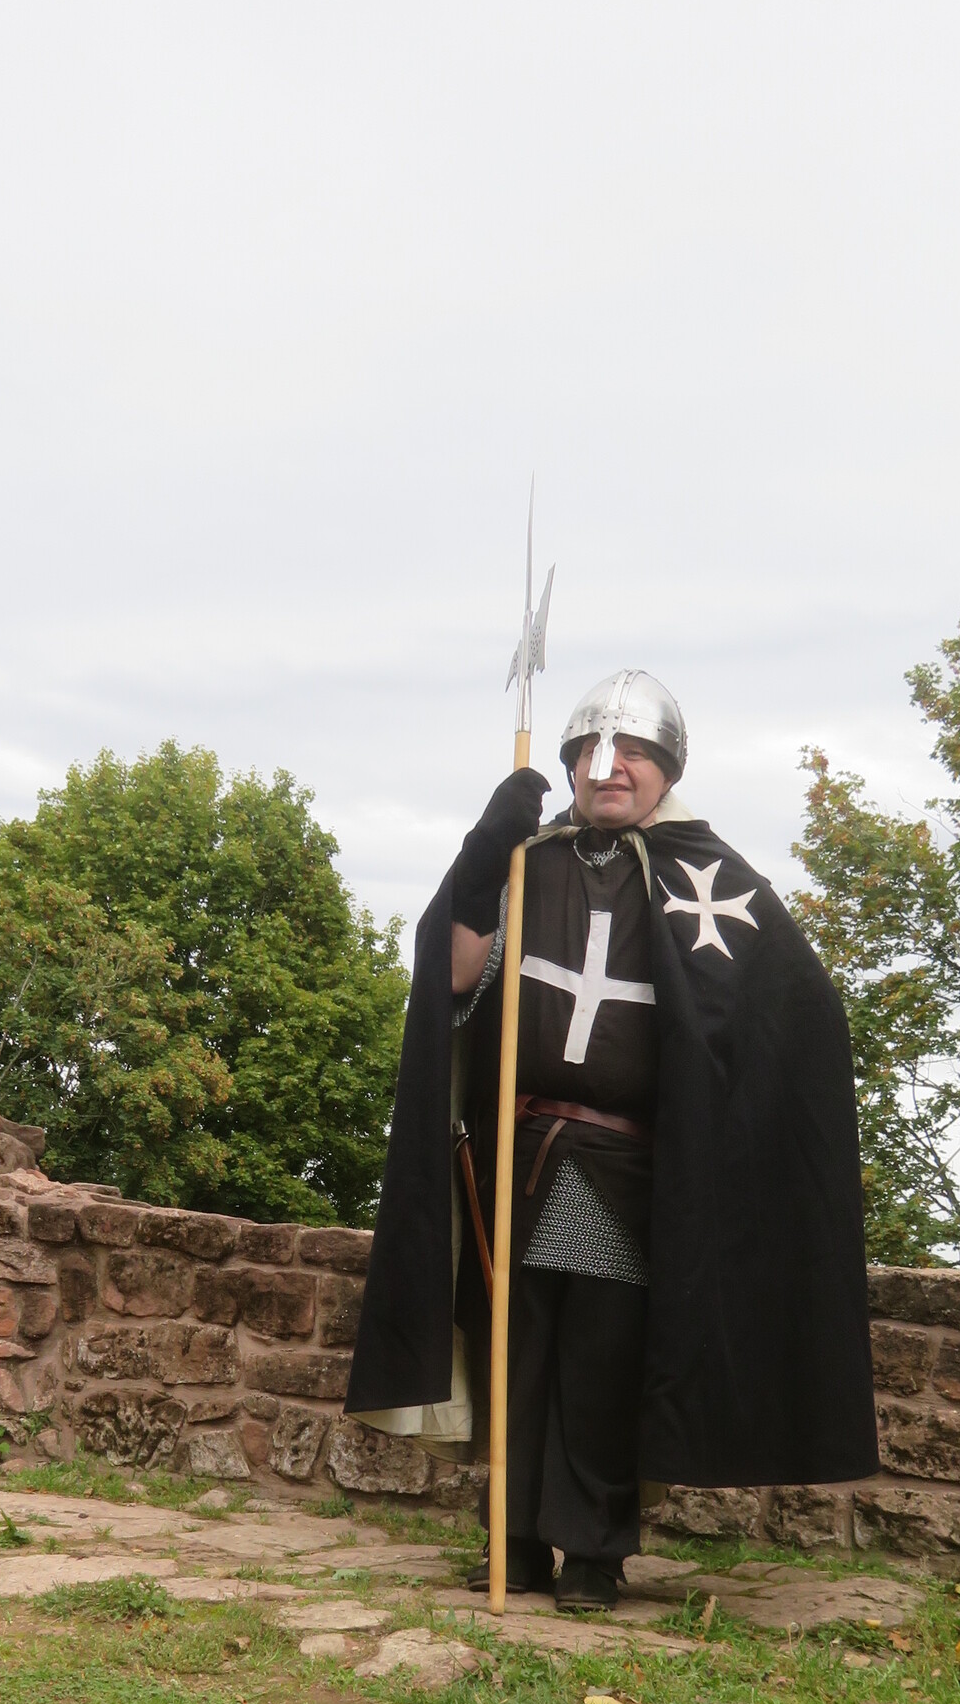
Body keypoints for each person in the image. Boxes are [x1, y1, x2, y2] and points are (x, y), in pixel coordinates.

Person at [345, 668, 878, 1610]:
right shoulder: (527, 862)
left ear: (666, 768)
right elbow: (457, 978)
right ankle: (514, 1543)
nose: (610, 768)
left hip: (630, 1169)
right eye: (592, 752)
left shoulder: (707, 880)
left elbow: (792, 1014)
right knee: (514, 1353)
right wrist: (480, 859)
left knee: (603, 1360)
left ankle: (592, 1551)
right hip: (518, 1155)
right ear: (569, 766)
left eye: (632, 752)